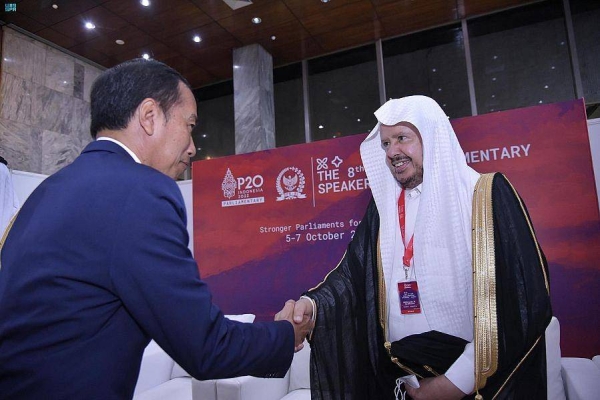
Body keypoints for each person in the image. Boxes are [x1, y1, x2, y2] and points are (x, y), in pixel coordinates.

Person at [0, 59, 313, 399]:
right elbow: (205, 347)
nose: (193, 146)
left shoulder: (47, 191)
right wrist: (288, 334)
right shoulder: (141, 191)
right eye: (189, 125)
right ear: (150, 117)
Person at [280, 95, 552, 399]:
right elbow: (352, 279)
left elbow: (523, 299)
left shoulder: (486, 196)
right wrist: (310, 308)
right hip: (400, 381)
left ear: (431, 136)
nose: (392, 152)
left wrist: (455, 384)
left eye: (402, 138)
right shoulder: (383, 211)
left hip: (472, 385)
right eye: (385, 144)